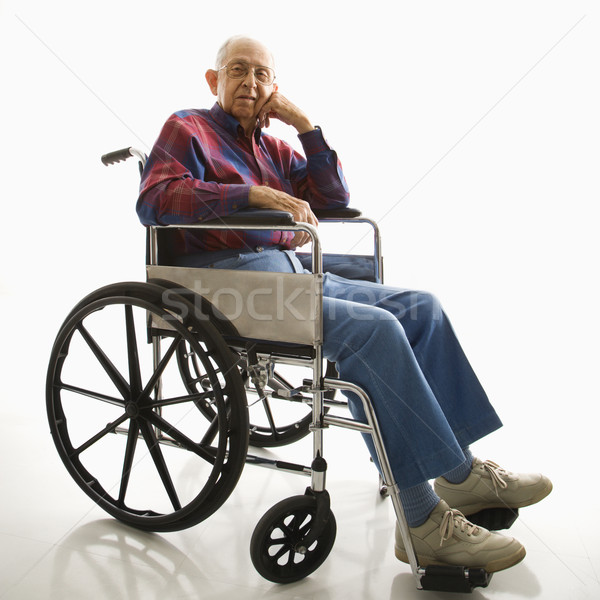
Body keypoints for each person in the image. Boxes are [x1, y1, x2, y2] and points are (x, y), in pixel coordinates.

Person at [137, 35, 552, 573]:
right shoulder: (187, 127)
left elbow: (332, 200)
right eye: (238, 70)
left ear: (274, 86)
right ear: (214, 81)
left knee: (420, 308)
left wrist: (304, 124)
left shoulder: (273, 147)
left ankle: (460, 474)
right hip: (228, 283)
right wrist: (254, 195)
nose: (251, 82)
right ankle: (422, 522)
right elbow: (155, 199)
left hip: (295, 274)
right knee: (374, 330)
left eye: (262, 74)